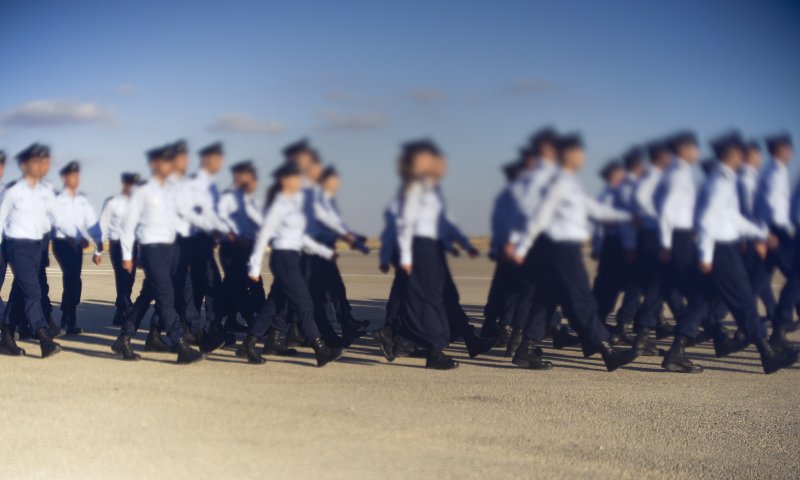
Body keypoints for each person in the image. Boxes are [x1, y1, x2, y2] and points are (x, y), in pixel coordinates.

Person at [661, 131, 798, 374]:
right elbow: (706, 220)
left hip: (724, 248)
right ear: (733, 154)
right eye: (739, 152)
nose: (743, 157)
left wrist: (760, 233)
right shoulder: (719, 182)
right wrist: (705, 255)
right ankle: (768, 353)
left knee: (702, 300)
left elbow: (731, 217)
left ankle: (676, 352)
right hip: (721, 251)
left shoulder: (724, 179)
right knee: (744, 300)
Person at [511, 133, 636, 372]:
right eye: (579, 152)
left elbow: (594, 210)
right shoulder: (559, 183)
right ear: (566, 155)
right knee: (582, 300)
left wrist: (629, 217)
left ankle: (525, 350)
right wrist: (523, 246)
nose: (583, 157)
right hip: (562, 250)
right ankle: (608, 351)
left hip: (562, 249)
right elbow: (541, 215)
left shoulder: (568, 181)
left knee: (546, 300)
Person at [241, 163, 344, 366]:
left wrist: (324, 251)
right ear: (285, 181)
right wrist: (254, 266)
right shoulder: (278, 205)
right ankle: (320, 349)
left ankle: (248, 344)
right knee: (304, 303)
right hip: (283, 258)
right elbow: (263, 236)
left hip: (292, 257)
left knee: (275, 305)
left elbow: (301, 237)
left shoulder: (293, 205)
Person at [111, 144, 205, 364]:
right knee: (166, 298)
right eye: (164, 161)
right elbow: (127, 224)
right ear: (154, 164)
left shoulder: (171, 192)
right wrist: (127, 255)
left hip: (172, 250)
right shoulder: (143, 192)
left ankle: (124, 338)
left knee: (146, 297)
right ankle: (180, 344)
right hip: (152, 251)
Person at [0, 143, 62, 358]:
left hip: (38, 246)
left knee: (20, 293)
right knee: (33, 292)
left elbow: (55, 217)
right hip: (16, 245)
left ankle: (6, 336)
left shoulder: (46, 191)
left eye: (44, 162)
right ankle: (44, 336)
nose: (42, 166)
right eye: (37, 162)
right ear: (25, 165)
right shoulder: (13, 191)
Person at [308, 164, 370, 346]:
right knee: (318, 296)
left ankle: (346, 322)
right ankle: (321, 332)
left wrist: (354, 239)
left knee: (335, 290)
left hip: (325, 251)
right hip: (315, 253)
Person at [186, 142, 231, 352]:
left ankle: (207, 327)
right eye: (217, 159)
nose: (220, 163)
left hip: (204, 240)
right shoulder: (196, 184)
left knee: (203, 285)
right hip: (195, 241)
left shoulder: (210, 185)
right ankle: (206, 328)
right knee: (207, 283)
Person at [51, 160, 103, 335]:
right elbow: (58, 222)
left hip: (77, 244)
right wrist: (76, 236)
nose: (75, 179)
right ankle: (67, 318)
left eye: (77, 176)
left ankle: (69, 317)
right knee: (72, 276)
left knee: (75, 279)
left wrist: (98, 246)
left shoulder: (81, 201)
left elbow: (93, 224)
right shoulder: (58, 200)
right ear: (64, 178)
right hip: (62, 243)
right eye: (72, 176)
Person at [99, 172, 140, 326]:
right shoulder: (112, 203)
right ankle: (122, 309)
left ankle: (123, 306)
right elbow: (103, 223)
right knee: (122, 277)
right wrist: (98, 247)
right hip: (117, 244)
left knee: (130, 278)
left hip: (133, 244)